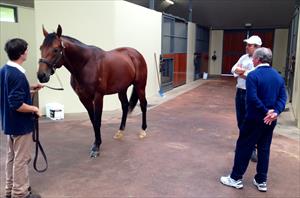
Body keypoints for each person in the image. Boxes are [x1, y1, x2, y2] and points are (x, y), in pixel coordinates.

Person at [220, 47, 287, 192]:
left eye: (254, 59)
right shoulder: (278, 76)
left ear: (257, 59)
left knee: (244, 146)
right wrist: (275, 112)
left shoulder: (253, 76)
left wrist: (265, 111)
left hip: (254, 119)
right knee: (264, 149)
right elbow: (283, 98)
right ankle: (261, 180)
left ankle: (236, 178)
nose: (253, 60)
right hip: (270, 121)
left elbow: (252, 98)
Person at [0, 38, 43, 198]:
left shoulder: (4, 70)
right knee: (21, 160)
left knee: (12, 158)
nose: (27, 52)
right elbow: (17, 104)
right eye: (26, 49)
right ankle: (20, 194)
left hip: (9, 123)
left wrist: (30, 87)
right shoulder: (17, 75)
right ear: (20, 53)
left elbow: (8, 90)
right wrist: (34, 108)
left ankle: (10, 191)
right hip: (20, 125)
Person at [231, 35, 262, 162]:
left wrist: (241, 72)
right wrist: (243, 73)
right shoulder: (243, 57)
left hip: (251, 94)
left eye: (249, 45)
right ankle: (243, 145)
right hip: (240, 92)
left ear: (257, 47)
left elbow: (254, 77)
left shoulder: (260, 59)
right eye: (247, 45)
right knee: (241, 120)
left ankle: (253, 148)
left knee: (251, 120)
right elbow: (233, 69)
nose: (246, 47)